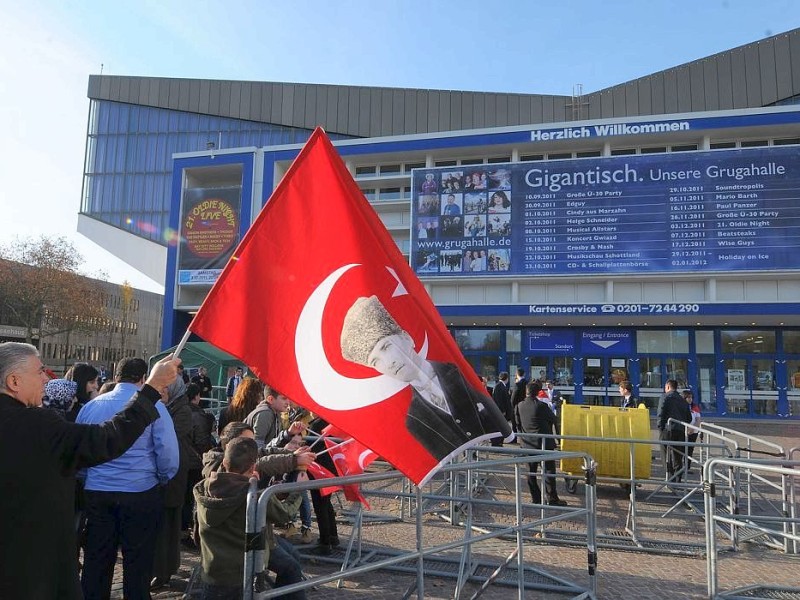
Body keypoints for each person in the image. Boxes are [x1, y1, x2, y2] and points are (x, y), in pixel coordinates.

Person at [0, 342, 179, 600]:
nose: (46, 379)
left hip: (94, 498)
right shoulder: (37, 426)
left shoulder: (81, 410)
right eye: (40, 372)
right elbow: (107, 439)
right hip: (33, 568)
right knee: (136, 567)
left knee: (97, 565)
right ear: (14, 381)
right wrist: (150, 391)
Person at [340, 295, 511, 461]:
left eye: (386, 347)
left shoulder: (461, 375)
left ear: (406, 338)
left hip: (481, 462)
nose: (388, 362)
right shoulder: (414, 420)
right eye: (376, 361)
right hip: (457, 477)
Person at [77, 357, 180, 600]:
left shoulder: (91, 406)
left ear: (115, 376)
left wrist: (88, 477)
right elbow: (167, 453)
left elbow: (80, 450)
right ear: (144, 378)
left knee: (96, 562)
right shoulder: (155, 408)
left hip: (98, 493)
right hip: (140, 492)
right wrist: (162, 478)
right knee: (138, 564)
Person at [152, 377, 194, 589]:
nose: (162, 391)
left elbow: (169, 438)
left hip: (174, 473)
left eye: (166, 389)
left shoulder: (182, 411)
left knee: (169, 525)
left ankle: (164, 571)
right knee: (161, 525)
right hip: (165, 473)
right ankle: (160, 568)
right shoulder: (168, 407)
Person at [515, 381, 567, 506]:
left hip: (528, 444)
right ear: (538, 392)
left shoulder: (519, 405)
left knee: (530, 473)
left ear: (526, 392)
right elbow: (553, 419)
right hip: (544, 444)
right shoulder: (541, 406)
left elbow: (517, 423)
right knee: (549, 472)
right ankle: (552, 498)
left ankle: (536, 498)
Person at [245, 384, 307, 448]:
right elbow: (257, 447)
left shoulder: (275, 413)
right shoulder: (265, 414)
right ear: (271, 399)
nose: (288, 402)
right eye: (284, 398)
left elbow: (271, 445)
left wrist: (288, 433)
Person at [657, 379, 692, 483]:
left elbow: (661, 412)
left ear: (668, 387)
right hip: (680, 430)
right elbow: (689, 418)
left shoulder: (665, 397)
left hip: (668, 429)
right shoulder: (682, 399)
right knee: (678, 455)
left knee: (664, 451)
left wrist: (660, 426)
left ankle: (669, 475)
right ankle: (677, 478)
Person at [491, 371, 512, 446]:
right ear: (506, 378)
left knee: (501, 428)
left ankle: (499, 442)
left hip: (502, 412)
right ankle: (497, 443)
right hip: (501, 412)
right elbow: (498, 400)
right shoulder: (499, 386)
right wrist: (502, 410)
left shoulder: (500, 386)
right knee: (499, 427)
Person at [684, 390, 702, 467]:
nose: (690, 399)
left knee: (690, 449)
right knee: (682, 449)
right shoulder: (681, 406)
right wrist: (687, 428)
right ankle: (681, 467)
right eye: (688, 397)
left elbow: (698, 420)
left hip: (693, 431)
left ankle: (687, 466)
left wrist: (692, 428)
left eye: (691, 397)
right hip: (684, 430)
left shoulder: (695, 407)